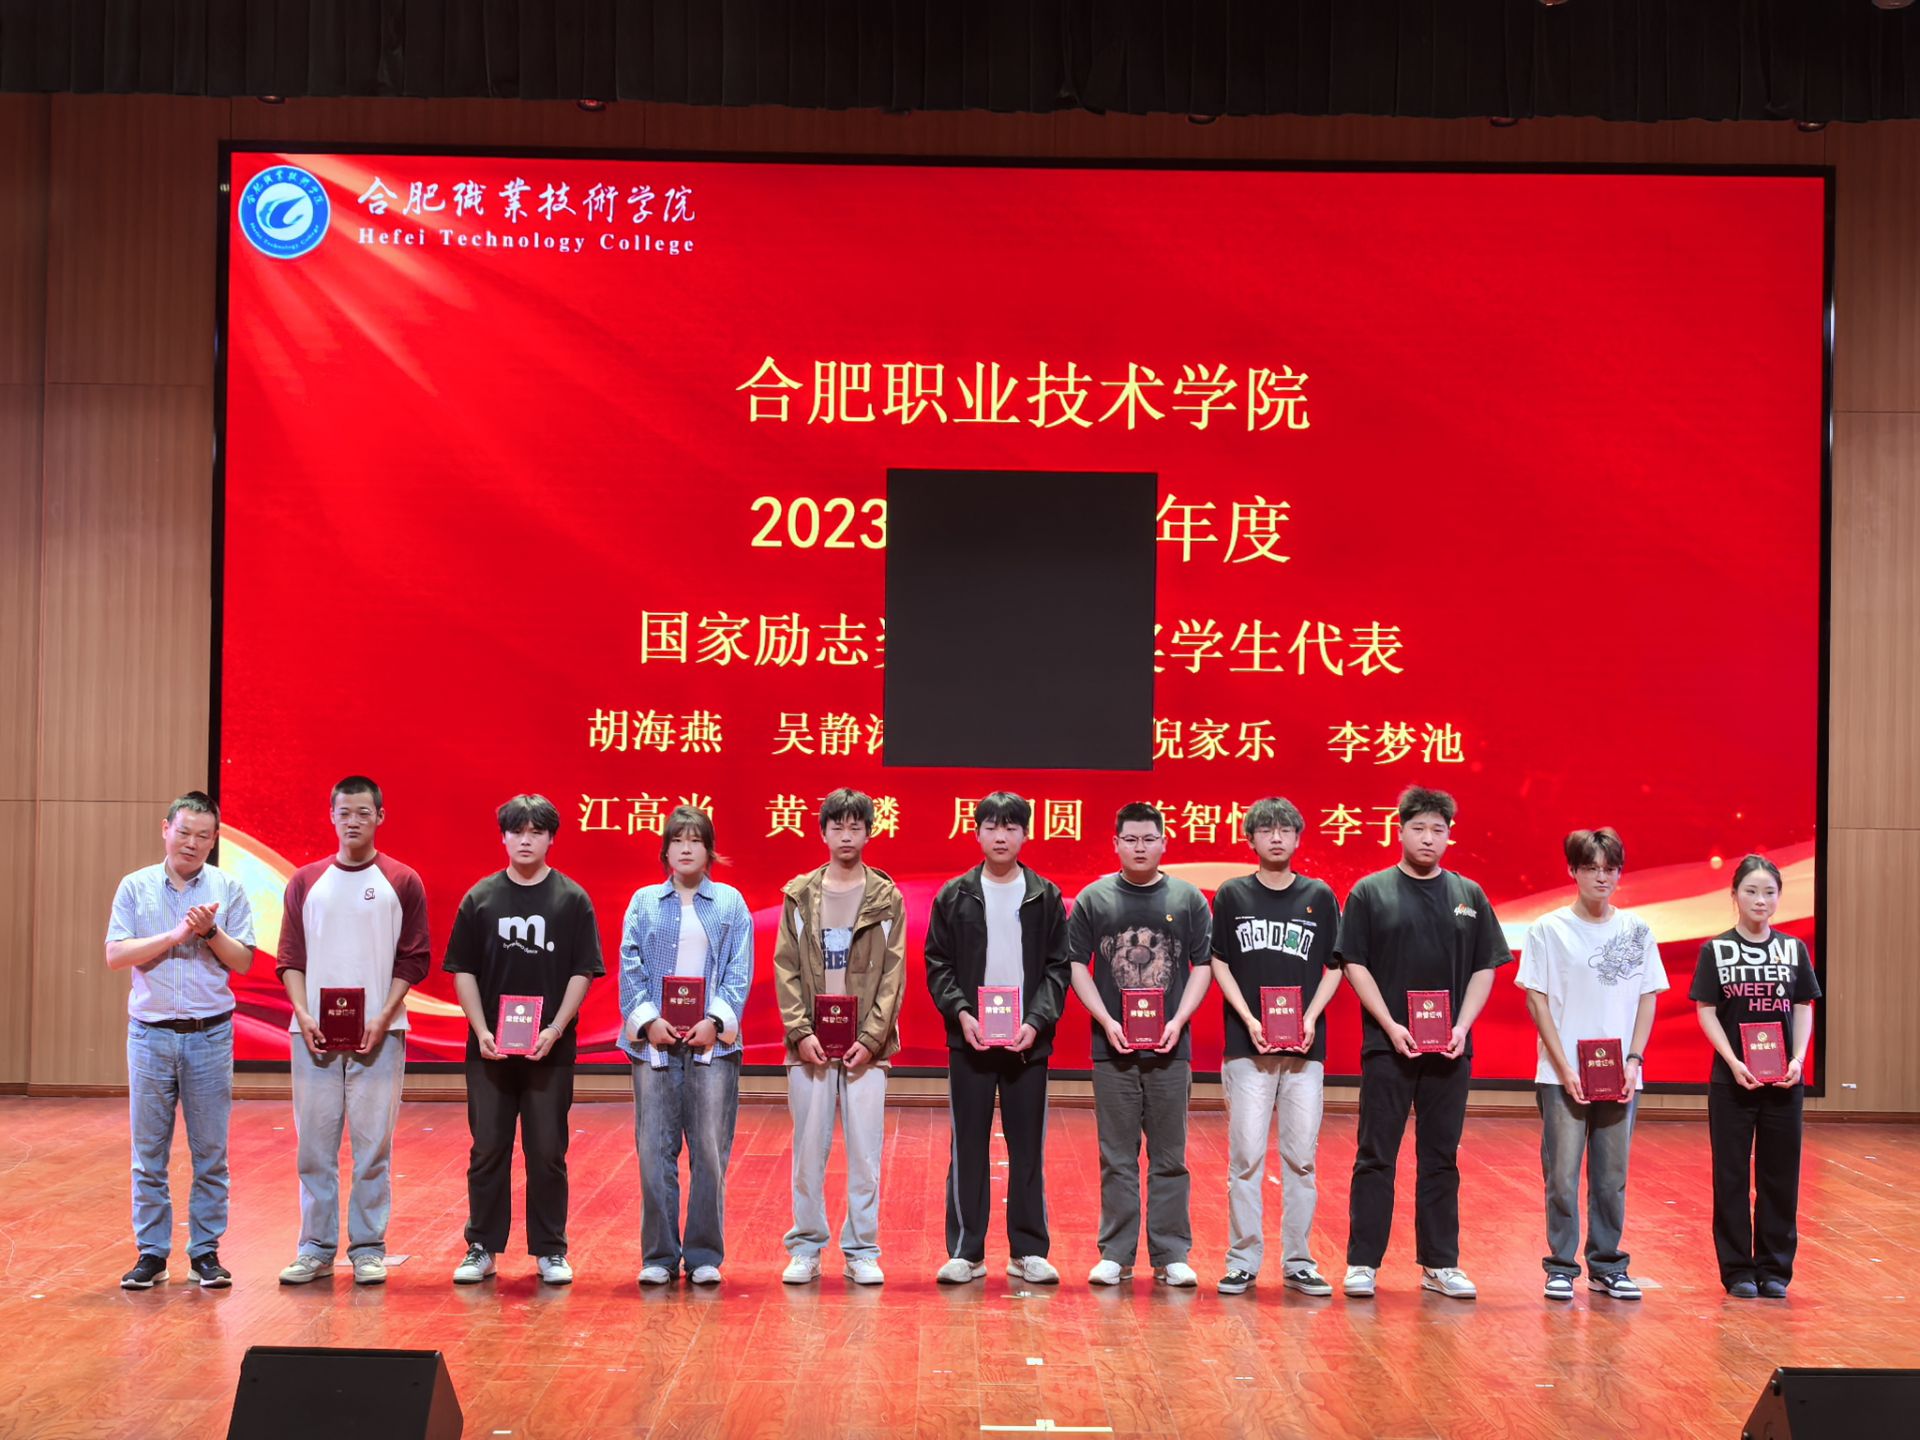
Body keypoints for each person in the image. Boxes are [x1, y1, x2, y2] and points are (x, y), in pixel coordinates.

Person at [1339, 785, 1510, 1300]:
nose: (1428, 838)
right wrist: (1390, 1024)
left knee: (1441, 1156)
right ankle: (1363, 1263)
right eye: (1419, 828)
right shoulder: (1370, 892)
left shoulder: (1468, 895)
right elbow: (1354, 963)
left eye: (1438, 829)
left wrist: (1462, 1026)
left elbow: (1485, 966)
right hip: (1387, 1047)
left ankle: (1440, 1263)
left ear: (1449, 836)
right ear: (1400, 831)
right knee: (1376, 1154)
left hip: (1450, 1051)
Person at [275, 776, 430, 1286]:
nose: (353, 821)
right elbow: (290, 957)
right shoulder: (306, 881)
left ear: (380, 817)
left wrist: (384, 1015)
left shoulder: (401, 881)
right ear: (331, 816)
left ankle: (367, 1247)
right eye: (344, 812)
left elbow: (414, 958)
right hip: (313, 1036)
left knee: (373, 1148)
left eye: (364, 812)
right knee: (313, 1149)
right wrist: (303, 1014)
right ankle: (315, 1249)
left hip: (382, 1034)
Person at [444, 794, 605, 1286]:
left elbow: (583, 970)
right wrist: (481, 1030)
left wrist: (555, 1029)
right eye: (517, 831)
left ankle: (551, 1250)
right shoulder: (480, 897)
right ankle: (482, 1246)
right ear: (504, 837)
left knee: (547, 1151)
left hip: (549, 1051)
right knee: (487, 1149)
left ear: (551, 838)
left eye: (536, 832)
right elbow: (463, 969)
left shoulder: (572, 899)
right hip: (490, 1050)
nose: (526, 840)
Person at [105, 791, 257, 1289]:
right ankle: (151, 1254)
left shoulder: (228, 888)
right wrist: (173, 937)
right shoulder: (135, 886)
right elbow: (115, 955)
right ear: (165, 828)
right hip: (149, 1036)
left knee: (210, 1152)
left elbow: (244, 961)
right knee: (148, 1153)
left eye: (203, 835)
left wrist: (210, 932)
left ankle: (205, 1253)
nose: (192, 842)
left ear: (214, 840)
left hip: (209, 1035)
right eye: (184, 831)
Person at [923, 792, 1071, 1286]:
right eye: (991, 826)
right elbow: (938, 964)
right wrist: (962, 1014)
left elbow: (1058, 968)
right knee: (968, 1146)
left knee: (1027, 1148)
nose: (1001, 836)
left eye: (1011, 827)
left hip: (1028, 1043)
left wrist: (1037, 1020)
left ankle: (1028, 1251)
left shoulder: (1044, 895)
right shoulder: (955, 895)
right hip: (971, 1041)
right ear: (977, 833)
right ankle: (966, 1252)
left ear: (1026, 834)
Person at [1515, 827, 1666, 1303]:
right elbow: (1536, 1000)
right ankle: (1561, 1266)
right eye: (1591, 868)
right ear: (1573, 871)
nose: (1602, 877)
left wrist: (1634, 1059)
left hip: (1621, 1074)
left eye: (1610, 869)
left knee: (1611, 1177)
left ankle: (1607, 1265)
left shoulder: (1637, 930)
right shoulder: (1548, 929)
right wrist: (1563, 1067)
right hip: (1561, 1075)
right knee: (1561, 1175)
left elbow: (1647, 997)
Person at [1066, 802, 1213, 1287]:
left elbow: (1202, 965)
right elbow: (1075, 965)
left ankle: (1171, 1254)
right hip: (1112, 1048)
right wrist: (1105, 1019)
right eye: (1130, 839)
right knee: (1117, 1156)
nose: (1140, 847)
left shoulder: (1188, 899)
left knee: (1171, 1157)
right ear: (1116, 843)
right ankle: (1116, 1254)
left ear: (1164, 842)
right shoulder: (1095, 898)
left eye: (1149, 839)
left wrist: (1179, 1020)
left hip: (1171, 1049)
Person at [1208, 797, 1343, 1297]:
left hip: (1304, 1050)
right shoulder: (1233, 894)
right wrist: (1247, 1018)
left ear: (1299, 837)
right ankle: (1242, 1260)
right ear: (1251, 839)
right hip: (1247, 1048)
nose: (1277, 837)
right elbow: (1218, 960)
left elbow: (1336, 964)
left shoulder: (1319, 895)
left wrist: (1310, 1017)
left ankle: (1298, 1261)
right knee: (1245, 1157)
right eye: (1266, 830)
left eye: (1286, 829)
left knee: (1301, 1159)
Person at [773, 789, 906, 1286]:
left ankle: (862, 1250)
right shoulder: (799, 895)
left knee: (865, 1154)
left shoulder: (887, 898)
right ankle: (806, 1246)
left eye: (855, 827)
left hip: (867, 1049)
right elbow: (785, 967)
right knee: (808, 1152)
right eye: (837, 827)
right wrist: (800, 1030)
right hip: (808, 1047)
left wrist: (871, 1038)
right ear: (823, 832)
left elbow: (893, 975)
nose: (846, 836)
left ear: (869, 832)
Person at [619, 805, 754, 1286]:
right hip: (655, 1045)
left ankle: (703, 1255)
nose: (686, 848)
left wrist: (715, 1021)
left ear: (709, 850)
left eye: (695, 840)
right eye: (677, 840)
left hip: (711, 1046)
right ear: (665, 851)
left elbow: (739, 969)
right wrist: (648, 1021)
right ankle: (658, 1256)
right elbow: (629, 965)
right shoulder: (644, 902)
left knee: (710, 1151)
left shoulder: (731, 903)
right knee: (654, 1152)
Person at [1690, 853, 1820, 1299]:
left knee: (1779, 1176)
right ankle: (1737, 1271)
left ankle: (1774, 1269)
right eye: (1751, 891)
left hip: (1785, 1082)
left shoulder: (1793, 949)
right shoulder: (1716, 949)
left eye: (1769, 892)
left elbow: (1802, 1006)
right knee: (1730, 1176)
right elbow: (1706, 1010)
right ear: (1735, 895)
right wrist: (1732, 1060)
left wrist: (1798, 1059)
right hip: (1732, 1082)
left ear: (1779, 897)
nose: (1760, 900)